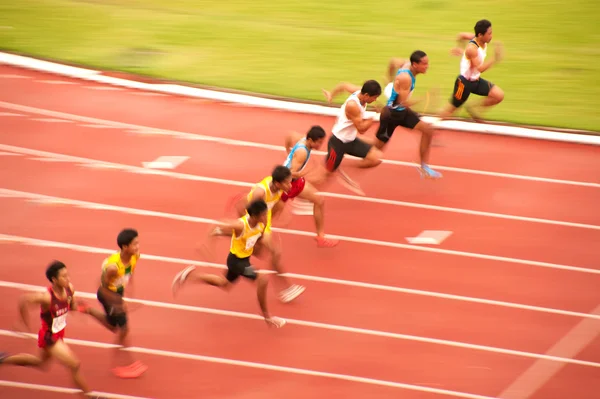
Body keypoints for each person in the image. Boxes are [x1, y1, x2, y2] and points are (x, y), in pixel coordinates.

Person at [172, 199, 287, 328]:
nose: (266, 217)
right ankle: (267, 317)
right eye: (263, 215)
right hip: (236, 261)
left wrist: (263, 249)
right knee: (262, 279)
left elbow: (254, 239)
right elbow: (216, 225)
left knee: (224, 284)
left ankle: (190, 275)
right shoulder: (240, 225)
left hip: (244, 259)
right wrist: (207, 242)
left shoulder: (261, 225)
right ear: (254, 216)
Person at [0, 261, 103, 398]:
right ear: (54, 280)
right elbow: (23, 300)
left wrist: (81, 307)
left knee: (40, 363)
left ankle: (4, 359)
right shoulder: (46, 298)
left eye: (68, 275)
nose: (68, 279)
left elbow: (71, 306)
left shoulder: (69, 289)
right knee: (74, 364)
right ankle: (89, 396)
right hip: (49, 337)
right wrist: (23, 323)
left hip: (59, 333)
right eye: (64, 277)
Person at [233, 165, 305, 303]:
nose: (290, 186)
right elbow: (249, 213)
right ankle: (285, 289)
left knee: (268, 253)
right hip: (256, 221)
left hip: (265, 218)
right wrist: (258, 232)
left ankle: (285, 288)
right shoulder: (260, 193)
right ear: (278, 183)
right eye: (287, 183)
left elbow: (294, 174)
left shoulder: (278, 184)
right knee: (273, 251)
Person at [82, 228, 147, 378]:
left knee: (113, 326)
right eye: (135, 244)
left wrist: (129, 286)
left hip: (117, 292)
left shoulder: (135, 256)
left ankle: (88, 310)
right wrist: (119, 303)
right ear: (125, 247)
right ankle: (121, 364)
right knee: (123, 329)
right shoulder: (113, 268)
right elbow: (102, 288)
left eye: (138, 243)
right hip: (108, 295)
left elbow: (130, 271)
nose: (138, 247)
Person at [375, 50, 442, 179]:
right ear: (415, 65)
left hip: (401, 112)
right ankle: (349, 146)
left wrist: (389, 81)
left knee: (428, 131)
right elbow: (402, 103)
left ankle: (424, 167)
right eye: (424, 64)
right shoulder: (406, 78)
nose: (427, 66)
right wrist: (424, 99)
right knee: (376, 151)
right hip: (392, 115)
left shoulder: (406, 64)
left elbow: (393, 61)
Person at [320, 79, 384, 194]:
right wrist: (375, 116)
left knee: (375, 158)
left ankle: (344, 168)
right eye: (374, 97)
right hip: (337, 142)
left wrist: (331, 95)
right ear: (366, 95)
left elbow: (343, 85)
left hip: (350, 140)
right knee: (326, 175)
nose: (375, 100)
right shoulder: (352, 106)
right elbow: (362, 129)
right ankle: (304, 198)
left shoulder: (359, 92)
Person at [282, 125, 339, 248]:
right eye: (319, 142)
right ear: (311, 140)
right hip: (286, 183)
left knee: (319, 201)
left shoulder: (302, 138)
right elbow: (290, 173)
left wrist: (288, 152)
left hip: (293, 181)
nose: (320, 145)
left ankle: (320, 237)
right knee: (268, 214)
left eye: (322, 142)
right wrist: (305, 172)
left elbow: (289, 134)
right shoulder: (302, 153)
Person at [438, 19, 504, 122]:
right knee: (450, 111)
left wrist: (458, 48)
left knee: (498, 95)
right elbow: (480, 69)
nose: (491, 36)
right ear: (480, 35)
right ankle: (432, 128)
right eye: (489, 34)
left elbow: (461, 35)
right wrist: (494, 59)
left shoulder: (478, 39)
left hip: (475, 81)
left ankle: (473, 107)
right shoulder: (472, 49)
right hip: (464, 84)